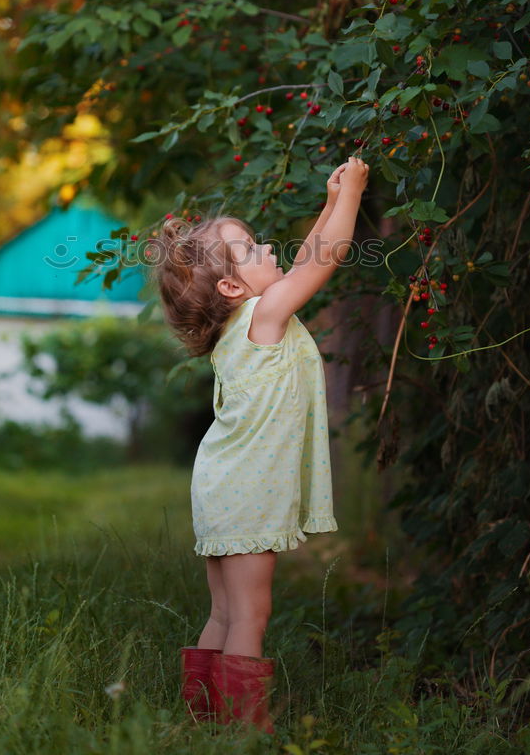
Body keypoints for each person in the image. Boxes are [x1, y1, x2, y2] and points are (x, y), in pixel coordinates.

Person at [153, 155, 370, 734]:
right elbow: (328, 257)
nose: (267, 249)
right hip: (244, 489)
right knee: (251, 612)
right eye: (250, 249)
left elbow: (305, 257)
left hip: (221, 484)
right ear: (231, 285)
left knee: (225, 610)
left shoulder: (244, 322)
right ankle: (248, 730)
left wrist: (328, 201)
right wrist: (352, 196)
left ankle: (201, 721)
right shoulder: (265, 314)